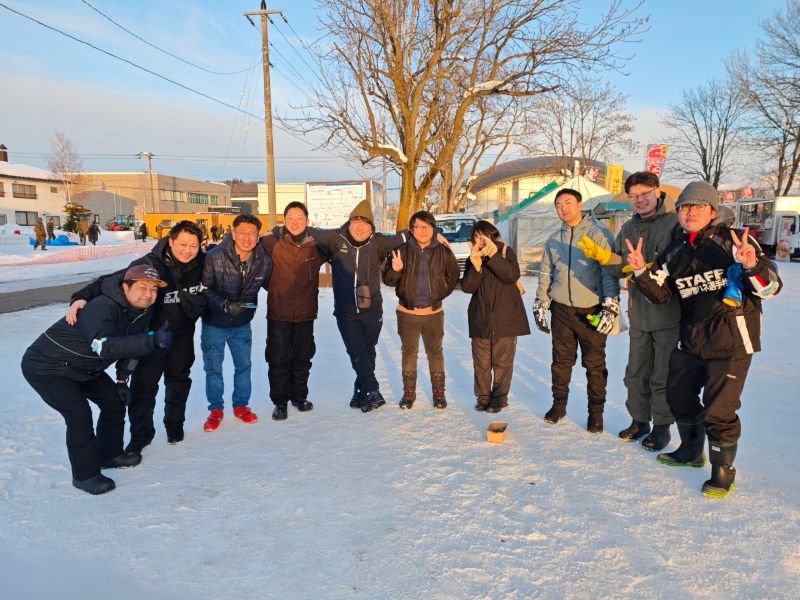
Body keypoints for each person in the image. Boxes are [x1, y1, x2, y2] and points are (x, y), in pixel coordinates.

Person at [626, 181, 782, 498]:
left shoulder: (735, 241)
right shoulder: (675, 250)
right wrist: (642, 271)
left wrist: (751, 264)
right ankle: (691, 450)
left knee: (719, 409)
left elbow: (771, 288)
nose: (690, 212)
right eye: (685, 207)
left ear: (712, 211)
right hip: (691, 339)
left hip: (731, 341)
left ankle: (722, 470)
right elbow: (662, 295)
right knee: (678, 396)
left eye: (698, 206)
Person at [21, 264, 172, 494]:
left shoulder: (142, 312)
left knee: (114, 401)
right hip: (47, 366)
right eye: (142, 287)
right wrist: (151, 340)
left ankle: (109, 454)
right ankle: (85, 476)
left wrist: (122, 380)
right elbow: (105, 346)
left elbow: (132, 350)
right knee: (78, 414)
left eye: (153, 289)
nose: (148, 294)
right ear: (125, 286)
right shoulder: (102, 306)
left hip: (85, 368)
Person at [67, 221, 206, 453]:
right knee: (144, 387)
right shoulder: (150, 264)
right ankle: (141, 436)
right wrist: (81, 296)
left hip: (182, 334)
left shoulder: (201, 264)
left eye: (193, 245)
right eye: (182, 244)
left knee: (179, 381)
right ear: (170, 241)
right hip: (150, 336)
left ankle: (174, 427)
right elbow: (112, 280)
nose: (187, 250)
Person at [577, 172, 680, 451]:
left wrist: (642, 266)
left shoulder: (675, 222)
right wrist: (603, 256)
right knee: (636, 372)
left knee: (662, 374)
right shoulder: (629, 228)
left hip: (669, 314)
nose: (639, 200)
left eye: (645, 193)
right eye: (633, 196)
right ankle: (639, 420)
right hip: (639, 315)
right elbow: (621, 265)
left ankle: (661, 427)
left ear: (657, 192)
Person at [306, 200, 407, 412]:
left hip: (372, 307)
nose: (360, 227)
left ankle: (359, 391)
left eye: (365, 223)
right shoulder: (334, 238)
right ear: (349, 222)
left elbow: (411, 234)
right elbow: (305, 230)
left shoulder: (379, 242)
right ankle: (373, 390)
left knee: (367, 350)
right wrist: (276, 232)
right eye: (356, 222)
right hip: (346, 309)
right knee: (356, 350)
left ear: (372, 227)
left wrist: (436, 236)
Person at [533, 188, 620, 433]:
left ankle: (596, 412)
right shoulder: (553, 240)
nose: (563, 208)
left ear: (580, 204)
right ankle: (558, 405)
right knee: (560, 362)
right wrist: (541, 302)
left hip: (590, 309)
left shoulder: (599, 234)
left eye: (568, 203)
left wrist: (610, 304)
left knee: (594, 364)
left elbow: (608, 272)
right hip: (561, 310)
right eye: (558, 205)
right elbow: (545, 274)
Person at [201, 214, 272, 431]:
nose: (247, 238)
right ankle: (215, 409)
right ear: (233, 233)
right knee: (213, 368)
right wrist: (224, 305)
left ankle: (241, 405)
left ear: (258, 237)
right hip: (214, 323)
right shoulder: (214, 256)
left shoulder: (264, 260)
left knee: (244, 366)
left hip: (242, 324)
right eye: (242, 232)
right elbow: (204, 289)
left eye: (252, 234)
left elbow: (273, 286)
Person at [382, 211, 459, 410]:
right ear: (412, 229)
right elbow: (388, 280)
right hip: (407, 313)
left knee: (435, 353)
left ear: (433, 228)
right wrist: (396, 269)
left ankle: (439, 395)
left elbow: (453, 277)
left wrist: (438, 295)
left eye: (427, 227)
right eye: (418, 227)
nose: (423, 231)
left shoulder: (443, 251)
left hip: (433, 314)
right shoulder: (401, 250)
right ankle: (408, 395)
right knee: (409, 353)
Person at [261, 202, 328, 420]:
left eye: (300, 217)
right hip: (278, 313)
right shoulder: (272, 242)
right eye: (291, 217)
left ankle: (299, 396)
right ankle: (280, 401)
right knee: (278, 358)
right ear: (284, 220)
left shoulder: (317, 245)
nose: (295, 222)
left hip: (305, 313)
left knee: (302, 358)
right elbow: (244, 240)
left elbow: (344, 239)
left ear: (307, 221)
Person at [461, 220, 530, 413]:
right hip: (479, 318)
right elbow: (467, 287)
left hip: (505, 318)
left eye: (484, 235)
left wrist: (492, 256)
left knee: (502, 363)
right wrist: (475, 265)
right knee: (481, 363)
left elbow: (510, 275)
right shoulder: (473, 258)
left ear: (492, 235)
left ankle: (499, 398)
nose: (480, 240)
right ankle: (483, 398)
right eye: (476, 236)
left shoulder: (507, 252)